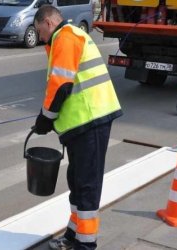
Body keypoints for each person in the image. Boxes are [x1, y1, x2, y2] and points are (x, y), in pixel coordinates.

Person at [33, 6, 123, 250]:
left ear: (49, 23)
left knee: (86, 185)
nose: (40, 37)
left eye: (40, 31)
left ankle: (86, 244)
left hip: (91, 118)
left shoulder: (66, 37)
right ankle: (73, 235)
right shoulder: (65, 38)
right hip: (82, 123)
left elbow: (61, 85)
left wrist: (46, 118)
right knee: (76, 180)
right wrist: (48, 117)